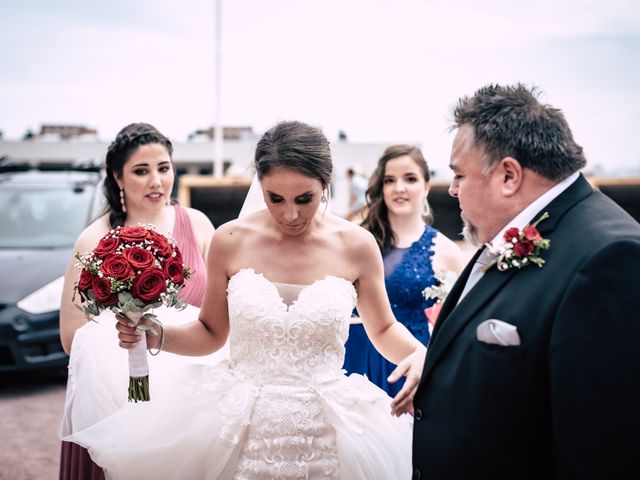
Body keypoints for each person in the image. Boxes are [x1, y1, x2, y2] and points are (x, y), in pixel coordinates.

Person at [65, 120, 426, 479]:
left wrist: (422, 355)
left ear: (325, 185)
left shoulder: (357, 246)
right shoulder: (230, 240)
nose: (290, 214)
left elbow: (383, 328)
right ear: (260, 186)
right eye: (275, 198)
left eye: (305, 199)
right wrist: (158, 335)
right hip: (238, 425)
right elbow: (210, 332)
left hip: (329, 430)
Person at [412, 84, 640, 480]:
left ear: (508, 176)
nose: (451, 190)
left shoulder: (611, 259)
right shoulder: (521, 232)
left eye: (459, 175)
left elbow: (602, 449)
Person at [58, 123, 216, 480]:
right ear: (118, 177)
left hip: (190, 397)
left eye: (163, 168)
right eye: (141, 171)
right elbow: (71, 335)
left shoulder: (199, 225)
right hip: (117, 400)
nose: (156, 181)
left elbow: (220, 310)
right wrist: (129, 337)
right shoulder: (94, 238)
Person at [343, 144, 464, 396]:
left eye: (410, 179)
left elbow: (456, 326)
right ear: (382, 188)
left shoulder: (447, 251)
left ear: (426, 186)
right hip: (353, 360)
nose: (399, 188)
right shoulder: (356, 239)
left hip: (408, 366)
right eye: (390, 180)